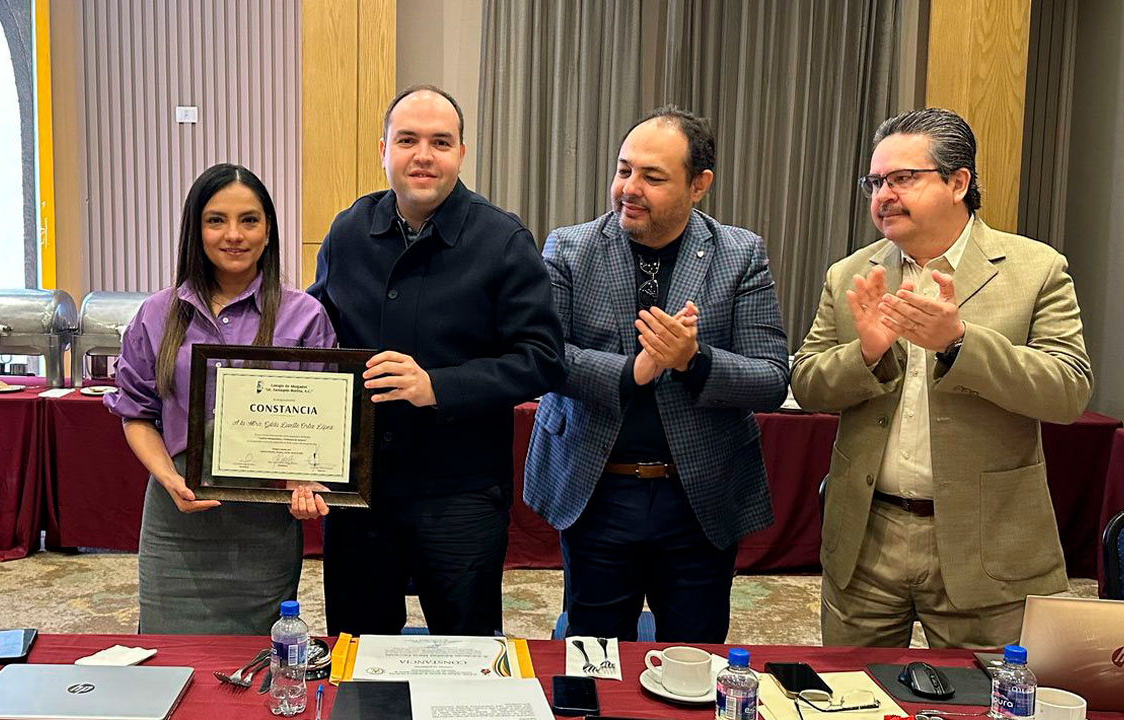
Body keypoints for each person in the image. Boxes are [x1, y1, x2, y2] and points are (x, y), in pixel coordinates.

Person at [790, 108, 1093, 648]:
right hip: (867, 538)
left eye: (903, 178)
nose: (883, 195)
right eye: (874, 182)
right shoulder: (851, 273)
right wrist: (866, 353)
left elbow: (1067, 390)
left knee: (989, 691)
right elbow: (807, 384)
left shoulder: (1035, 269)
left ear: (958, 183)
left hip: (989, 543)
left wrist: (959, 344)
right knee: (852, 689)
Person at [524, 107, 789, 643]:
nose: (630, 188)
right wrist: (633, 371)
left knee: (695, 654)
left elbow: (770, 377)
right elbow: (544, 358)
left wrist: (694, 361)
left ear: (699, 185)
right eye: (624, 170)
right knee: (594, 655)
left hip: (699, 496)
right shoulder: (569, 247)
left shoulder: (740, 253)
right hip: (597, 489)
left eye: (652, 176)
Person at [308, 85, 565, 636]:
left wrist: (439, 387)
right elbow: (313, 336)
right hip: (360, 491)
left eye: (440, 142)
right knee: (359, 649)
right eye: (407, 140)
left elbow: (542, 360)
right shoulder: (348, 231)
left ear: (461, 154)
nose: (423, 155)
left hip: (460, 491)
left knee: (465, 653)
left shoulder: (502, 239)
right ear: (384, 150)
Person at [107, 163, 337, 634]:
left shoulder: (305, 316)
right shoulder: (157, 313)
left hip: (264, 521)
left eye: (249, 220)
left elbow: (324, 424)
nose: (234, 234)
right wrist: (168, 478)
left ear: (268, 231)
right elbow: (136, 413)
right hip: (177, 514)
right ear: (196, 230)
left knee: (255, 655)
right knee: (171, 653)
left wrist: (304, 481)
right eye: (216, 220)